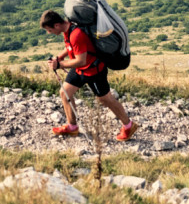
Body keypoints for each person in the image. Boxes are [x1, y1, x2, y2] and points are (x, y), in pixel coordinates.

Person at [40, 10, 138, 141]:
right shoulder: (68, 30)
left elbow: (81, 60)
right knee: (65, 92)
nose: (49, 33)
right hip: (80, 69)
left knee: (106, 99)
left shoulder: (76, 34)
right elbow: (70, 47)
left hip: (93, 71)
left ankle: (128, 126)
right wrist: (59, 58)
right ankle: (72, 127)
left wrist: (60, 65)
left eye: (49, 30)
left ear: (56, 25)